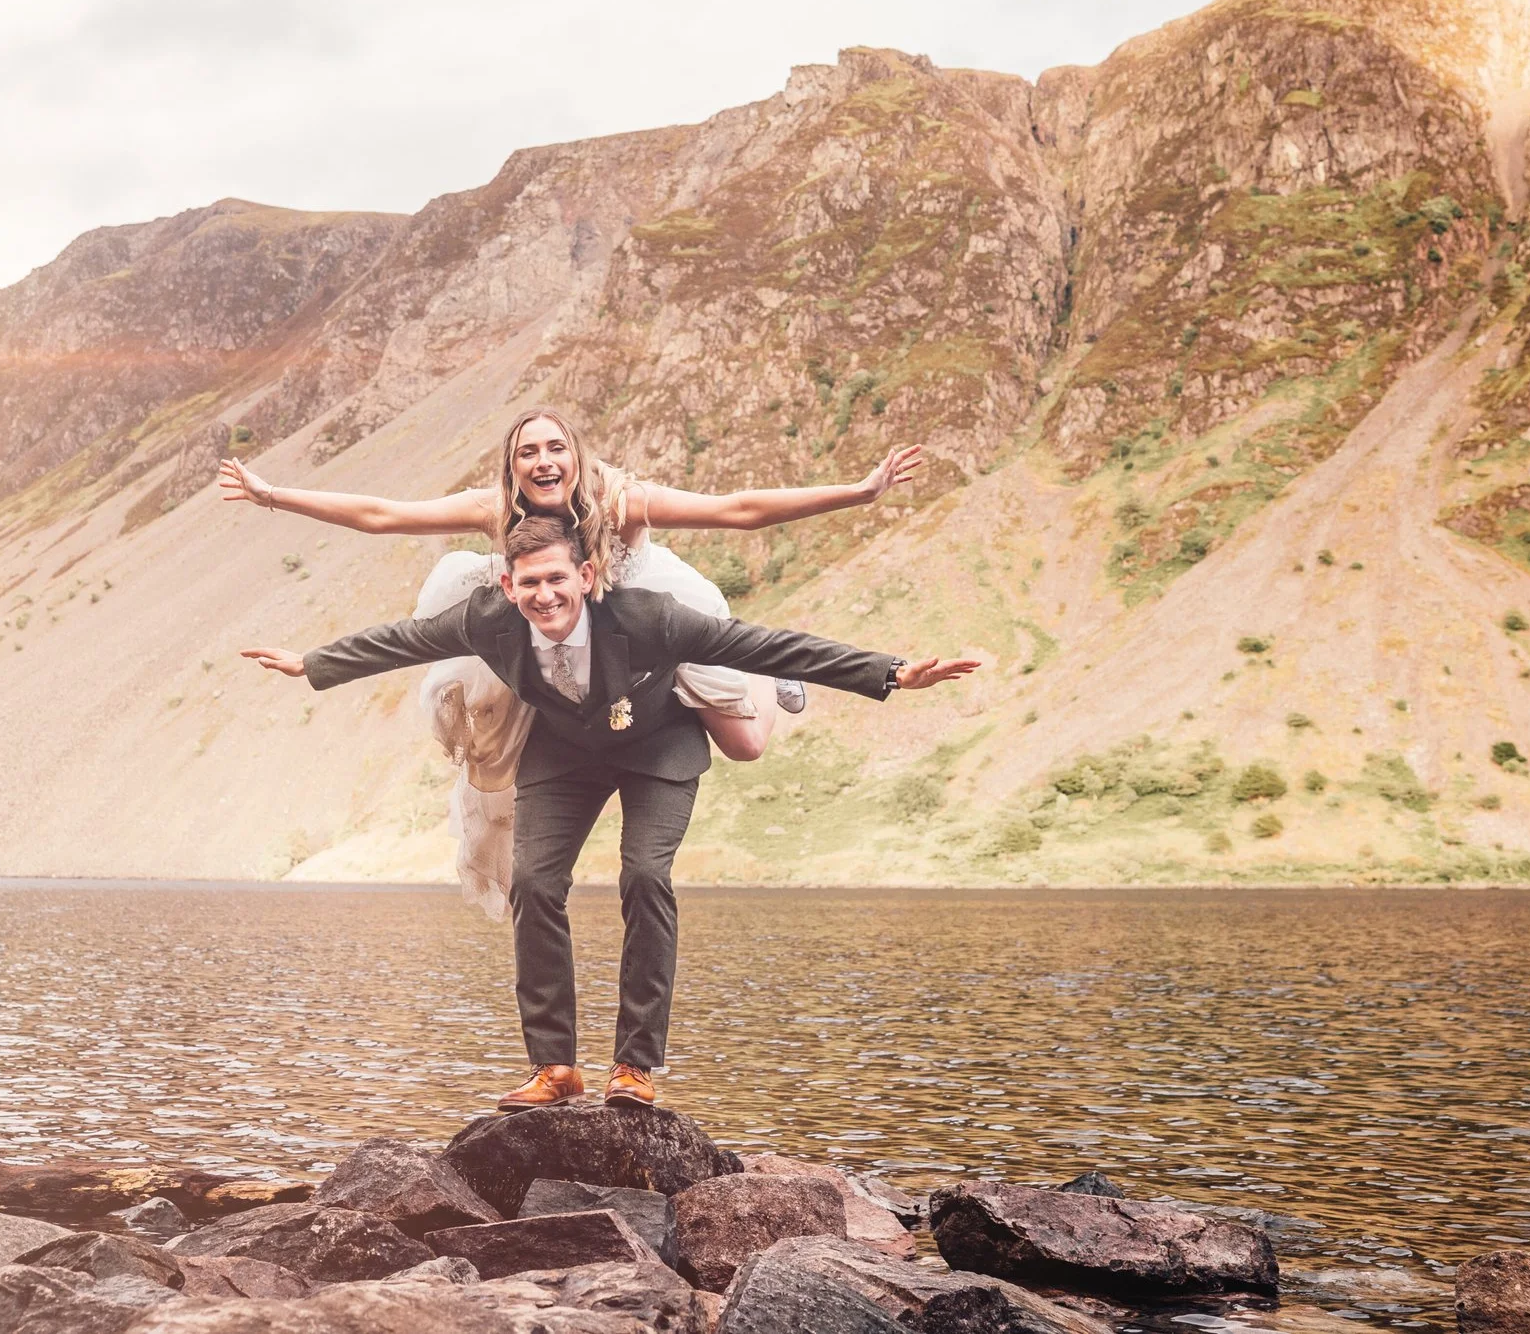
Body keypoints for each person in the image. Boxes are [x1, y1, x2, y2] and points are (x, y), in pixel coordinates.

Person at [243, 513, 975, 1111]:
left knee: (644, 877)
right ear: (509, 585)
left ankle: (636, 1067)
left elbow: (763, 640)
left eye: (558, 579)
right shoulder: (490, 620)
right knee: (533, 881)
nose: (544, 595)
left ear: (585, 578)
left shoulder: (649, 618)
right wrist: (313, 664)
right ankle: (555, 1067)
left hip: (660, 747)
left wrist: (890, 672)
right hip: (565, 753)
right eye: (529, 583)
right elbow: (403, 641)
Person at [219, 407, 923, 915]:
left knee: (744, 746)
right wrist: (272, 495)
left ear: (576, 459)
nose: (543, 461)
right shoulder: (496, 510)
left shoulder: (621, 501)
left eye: (556, 447)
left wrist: (858, 494)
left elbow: (739, 509)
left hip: (657, 617)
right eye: (528, 452)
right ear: (513, 467)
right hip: (568, 630)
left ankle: (771, 675)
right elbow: (382, 515)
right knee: (508, 692)